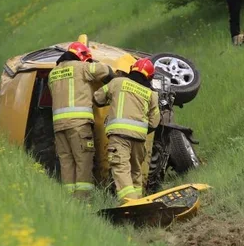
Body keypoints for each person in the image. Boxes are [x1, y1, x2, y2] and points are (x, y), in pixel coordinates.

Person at [49, 41, 116, 198]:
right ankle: (82, 200)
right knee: (83, 161)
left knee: (66, 162)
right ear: (82, 56)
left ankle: (68, 199)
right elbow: (106, 71)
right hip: (79, 125)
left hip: (59, 126)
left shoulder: (53, 73)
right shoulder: (82, 67)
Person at [93, 57, 160, 203]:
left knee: (121, 168)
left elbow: (98, 98)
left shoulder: (117, 82)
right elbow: (155, 122)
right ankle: (140, 202)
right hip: (139, 140)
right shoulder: (151, 94)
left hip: (119, 137)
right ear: (150, 77)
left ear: (132, 70)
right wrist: (139, 131)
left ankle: (130, 203)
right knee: (136, 172)